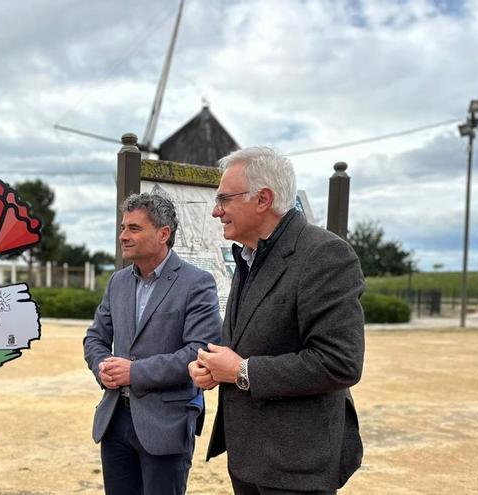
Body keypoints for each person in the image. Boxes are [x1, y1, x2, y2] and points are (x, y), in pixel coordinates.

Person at [189, 147, 365, 495]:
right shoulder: (250, 255)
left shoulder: (324, 255)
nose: (216, 211)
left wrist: (241, 371)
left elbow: (341, 362)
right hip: (250, 459)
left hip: (297, 466)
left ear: (263, 199)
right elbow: (252, 340)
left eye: (224, 198)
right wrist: (214, 368)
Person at [83, 193, 222, 495]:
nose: (123, 236)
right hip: (115, 420)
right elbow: (95, 337)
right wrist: (102, 366)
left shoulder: (197, 283)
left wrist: (135, 372)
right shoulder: (117, 282)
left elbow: (199, 351)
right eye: (123, 228)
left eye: (134, 228)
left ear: (163, 234)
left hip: (166, 426)